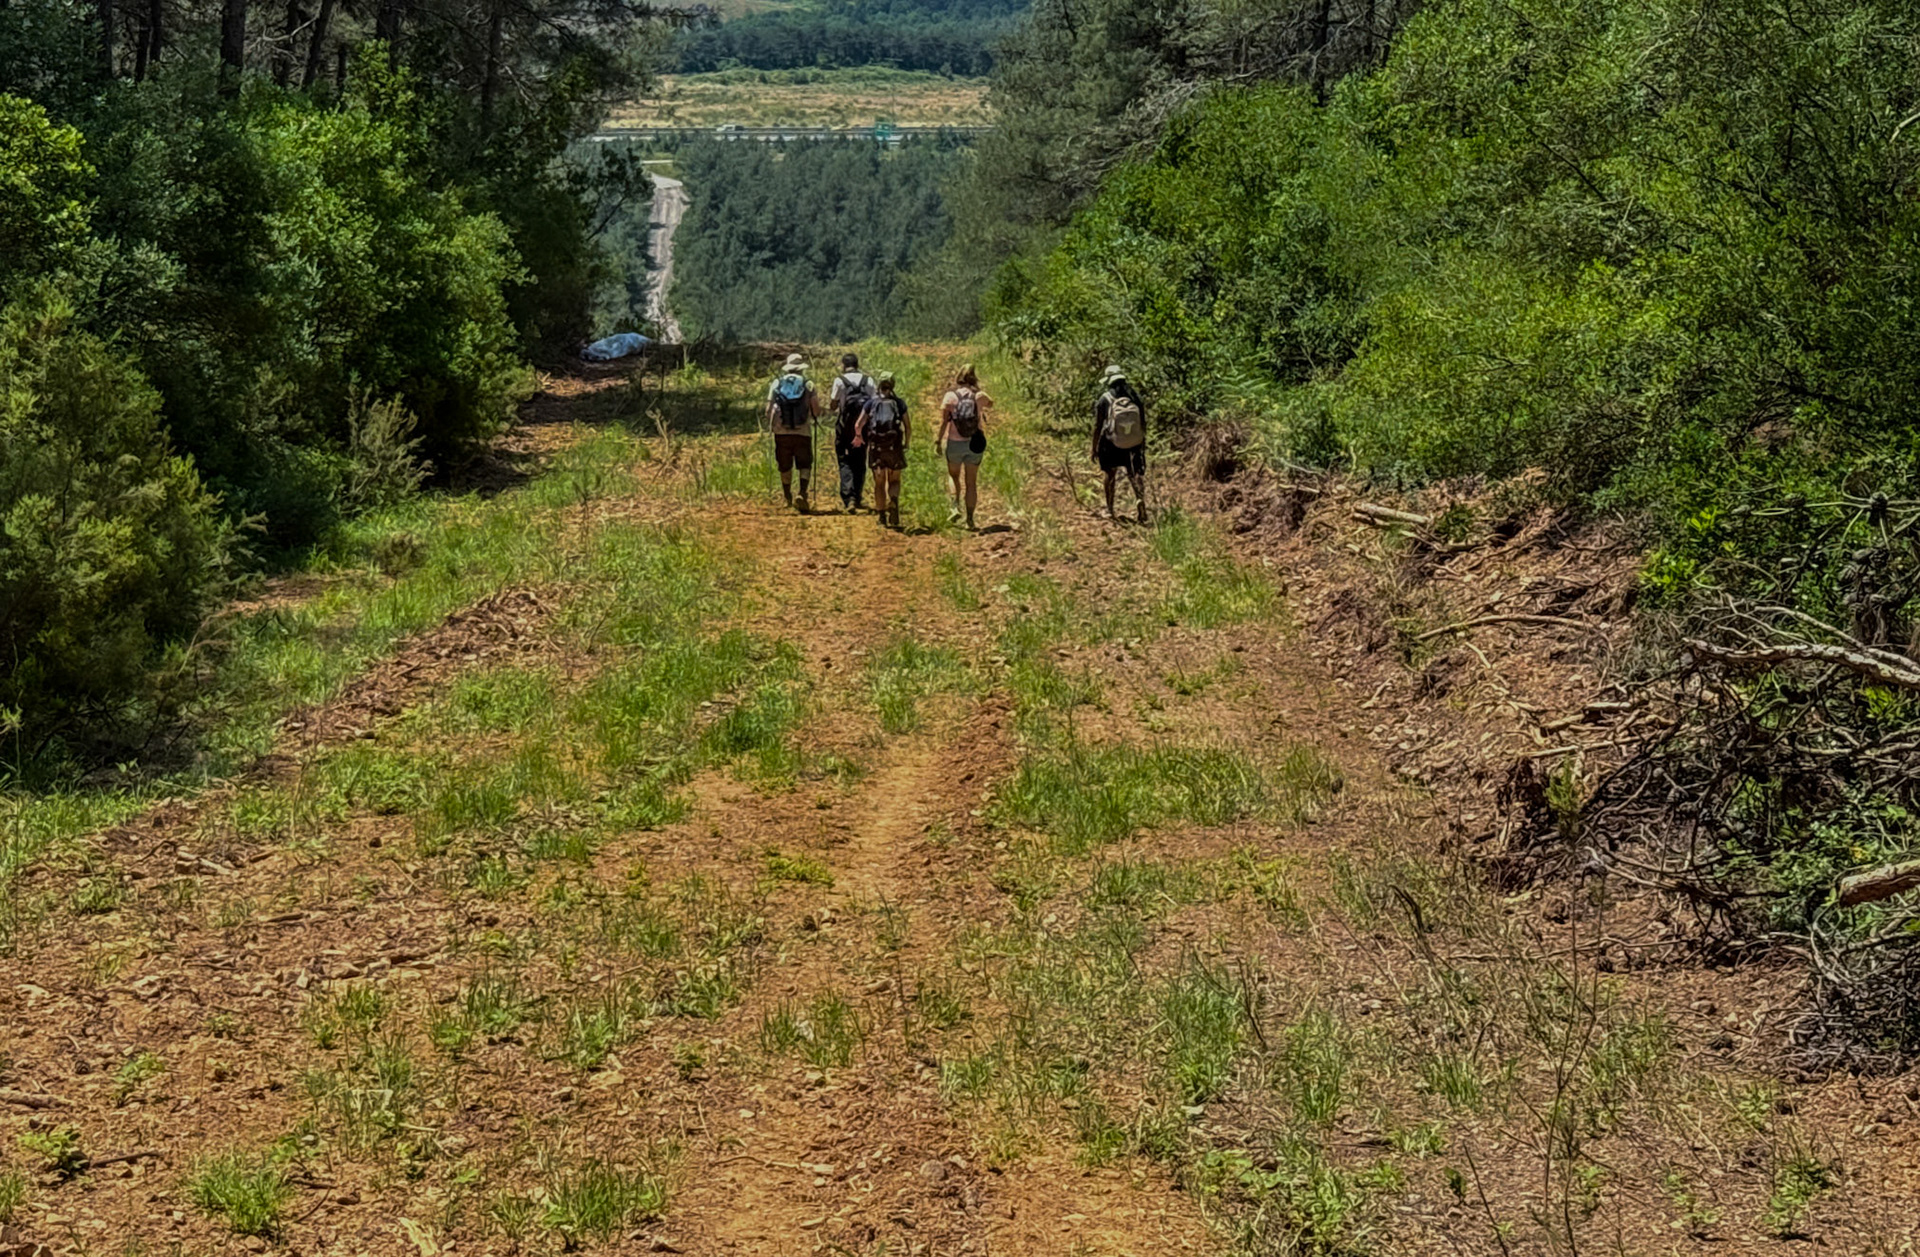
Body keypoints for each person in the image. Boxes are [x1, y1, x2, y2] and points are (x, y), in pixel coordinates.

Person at [939, 364, 993, 530]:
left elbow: (944, 422)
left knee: (953, 476)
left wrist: (938, 441)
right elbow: (991, 403)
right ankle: (970, 519)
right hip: (975, 443)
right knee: (971, 482)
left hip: (955, 442)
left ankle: (955, 506)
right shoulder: (979, 395)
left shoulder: (950, 396)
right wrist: (978, 391)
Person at [1091, 364, 1148, 524]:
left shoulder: (1105, 399)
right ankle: (1140, 501)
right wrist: (1142, 442)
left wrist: (1094, 447)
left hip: (1111, 442)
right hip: (1134, 442)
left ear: (1109, 381)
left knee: (1110, 473)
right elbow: (1143, 422)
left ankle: (1110, 509)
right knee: (1135, 473)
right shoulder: (1134, 397)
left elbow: (1098, 425)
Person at [855, 372, 910, 530]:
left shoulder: (871, 403)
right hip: (894, 446)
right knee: (894, 480)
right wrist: (906, 443)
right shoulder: (899, 403)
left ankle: (881, 517)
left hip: (876, 446)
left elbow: (859, 424)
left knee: (879, 483)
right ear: (893, 385)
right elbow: (907, 426)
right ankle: (893, 501)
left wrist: (860, 437)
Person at [766, 352, 821, 511]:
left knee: (785, 465)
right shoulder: (808, 384)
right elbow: (816, 409)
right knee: (805, 464)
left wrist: (773, 423)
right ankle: (802, 493)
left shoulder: (776, 383)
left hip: (781, 432)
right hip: (802, 431)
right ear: (801, 368)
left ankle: (787, 497)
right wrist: (814, 415)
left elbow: (768, 409)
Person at [828, 352, 877, 513]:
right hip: (862, 429)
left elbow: (833, 406)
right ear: (857, 364)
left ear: (844, 365)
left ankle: (848, 498)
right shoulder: (868, 380)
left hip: (844, 428)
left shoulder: (839, 381)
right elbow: (875, 404)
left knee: (844, 460)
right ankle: (857, 496)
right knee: (860, 460)